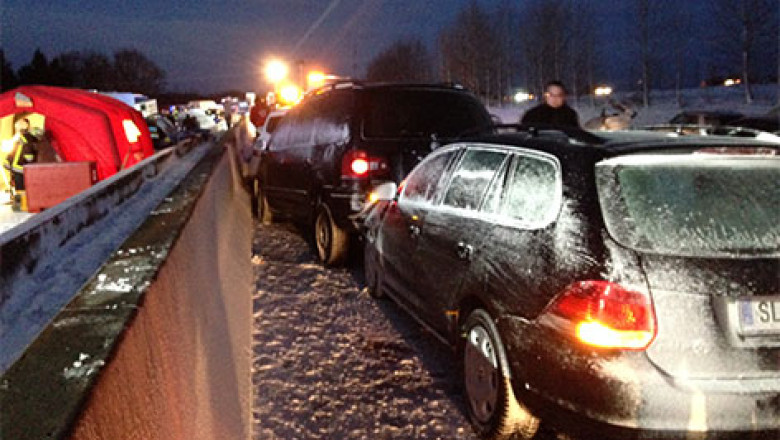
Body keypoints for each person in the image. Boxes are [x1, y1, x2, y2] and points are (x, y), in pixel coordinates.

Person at [2, 118, 38, 193]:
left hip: (21, 169)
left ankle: (22, 202)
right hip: (20, 169)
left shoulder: (24, 138)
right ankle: (22, 202)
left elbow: (28, 156)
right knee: (21, 190)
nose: (17, 126)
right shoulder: (21, 138)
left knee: (21, 191)